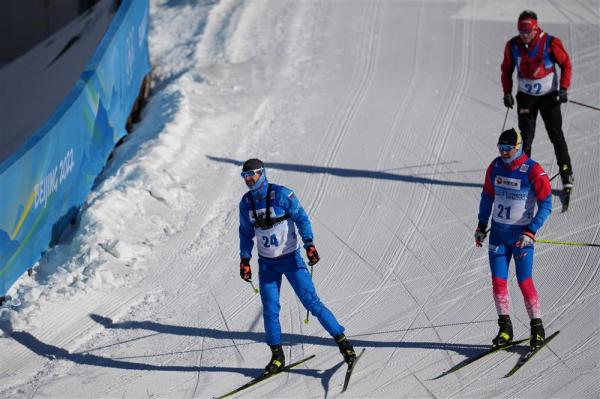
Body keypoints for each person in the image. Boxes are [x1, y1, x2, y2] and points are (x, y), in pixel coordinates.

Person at [238, 158, 356, 373]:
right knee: (270, 309)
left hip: (291, 260)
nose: (248, 179)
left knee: (311, 302)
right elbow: (245, 233)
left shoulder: (282, 194)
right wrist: (244, 259)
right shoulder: (246, 203)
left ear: (262, 173)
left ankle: (344, 343)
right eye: (244, 176)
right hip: (267, 265)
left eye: (251, 174)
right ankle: (277, 356)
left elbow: (302, 219)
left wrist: (309, 243)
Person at [474, 128, 553, 350]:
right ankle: (505, 329)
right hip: (498, 235)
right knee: (498, 282)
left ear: (517, 148)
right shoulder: (495, 166)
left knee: (524, 281)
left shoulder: (533, 171)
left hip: (521, 238)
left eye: (507, 149)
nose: (503, 153)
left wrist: (531, 231)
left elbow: (547, 204)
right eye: (500, 148)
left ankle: (537, 328)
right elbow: (487, 196)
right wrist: (482, 225)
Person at [500, 10, 574, 195]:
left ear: (535, 27)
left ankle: (566, 174)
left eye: (527, 30)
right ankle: (524, 178)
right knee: (525, 140)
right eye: (521, 30)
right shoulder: (512, 46)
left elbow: (566, 64)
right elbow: (506, 70)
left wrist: (563, 88)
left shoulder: (550, 43)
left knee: (556, 136)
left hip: (549, 96)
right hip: (526, 97)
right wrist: (507, 92)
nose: (524, 35)